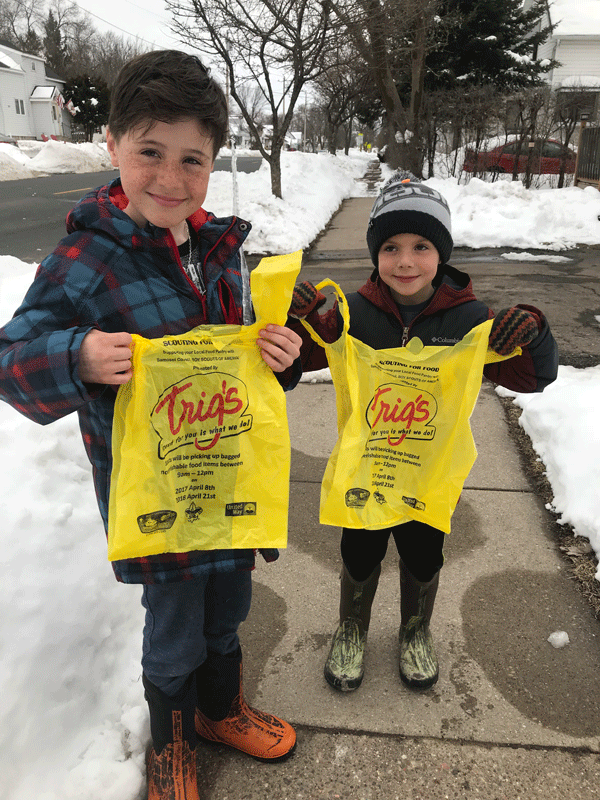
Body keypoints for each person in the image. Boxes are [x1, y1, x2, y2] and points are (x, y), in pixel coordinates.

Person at [0, 50, 301, 800]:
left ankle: (219, 710)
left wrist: (280, 352)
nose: (170, 178)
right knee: (173, 628)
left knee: (229, 610)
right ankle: (170, 743)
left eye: (192, 159)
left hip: (227, 482)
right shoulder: (84, 260)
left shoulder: (220, 253)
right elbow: (10, 360)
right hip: (156, 496)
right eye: (150, 153)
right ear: (112, 144)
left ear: (212, 163)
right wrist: (77, 355)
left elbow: (245, 362)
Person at [288, 171, 558, 694]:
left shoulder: (471, 320)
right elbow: (292, 366)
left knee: (423, 553)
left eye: (421, 246)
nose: (405, 261)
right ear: (375, 253)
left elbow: (533, 376)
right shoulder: (353, 313)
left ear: (443, 253)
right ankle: (352, 628)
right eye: (390, 247)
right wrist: (294, 319)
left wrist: (534, 332)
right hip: (367, 465)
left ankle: (415, 631)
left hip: (430, 471)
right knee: (359, 551)